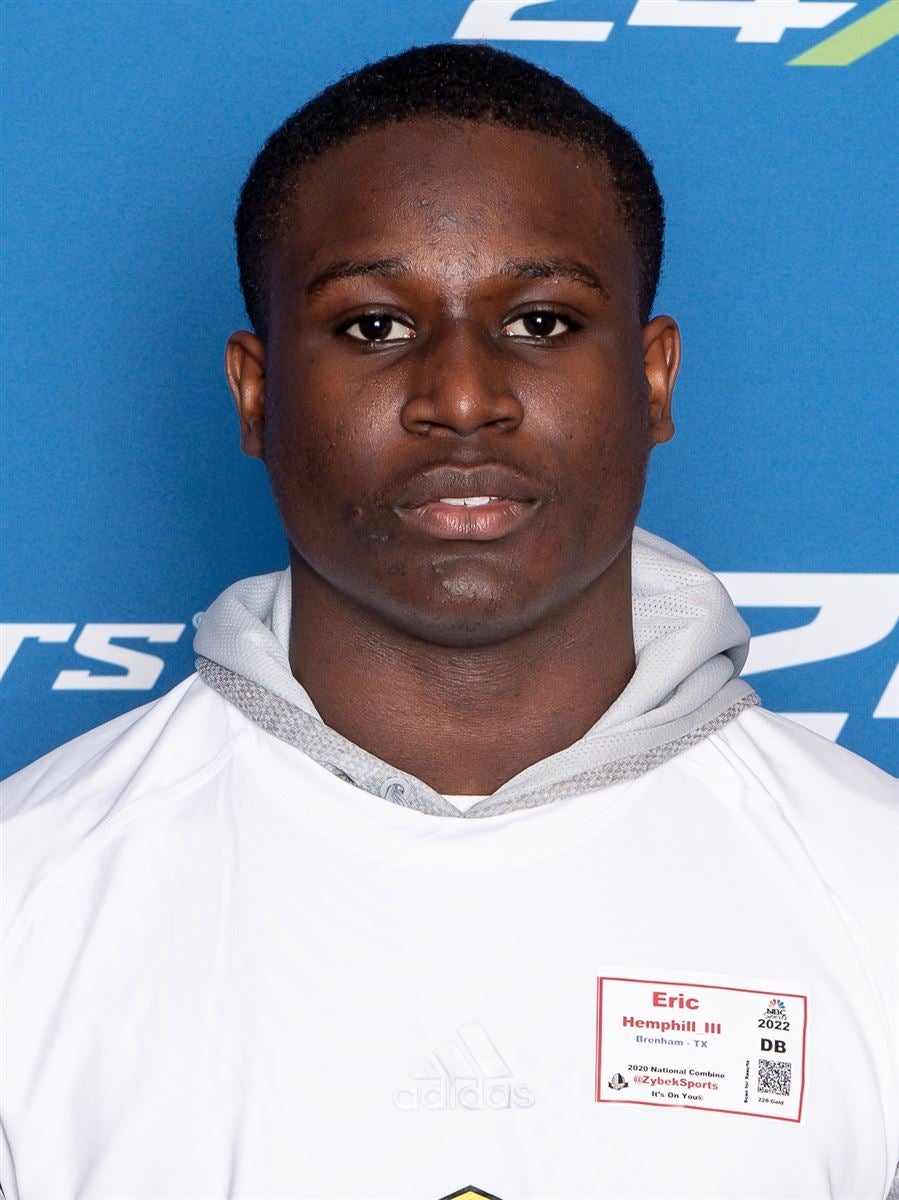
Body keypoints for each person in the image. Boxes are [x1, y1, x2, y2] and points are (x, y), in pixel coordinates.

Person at [1, 42, 896, 1200]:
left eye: (541, 322)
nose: (463, 400)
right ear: (255, 393)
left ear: (653, 378)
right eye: (374, 327)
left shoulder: (870, 884)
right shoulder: (29, 895)